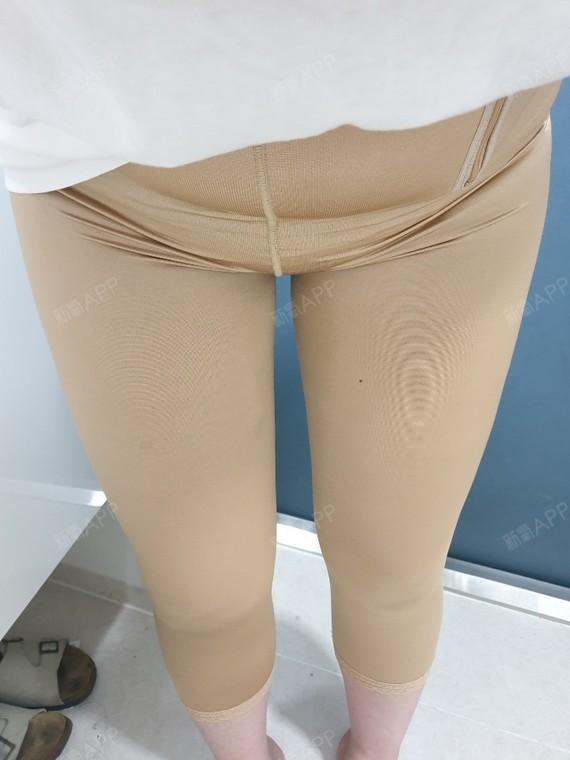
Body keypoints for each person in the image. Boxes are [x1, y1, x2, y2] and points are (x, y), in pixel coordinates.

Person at [2, 3, 570, 759]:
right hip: (110, 191)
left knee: (394, 564)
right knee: (202, 590)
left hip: (450, 184)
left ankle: (373, 754)